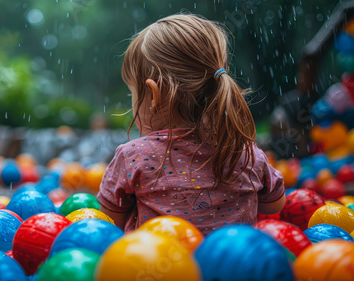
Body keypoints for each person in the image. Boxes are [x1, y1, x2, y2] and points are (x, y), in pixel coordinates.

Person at [97, 14, 285, 236]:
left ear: (152, 94)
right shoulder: (243, 152)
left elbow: (109, 227)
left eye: (133, 93)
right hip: (235, 266)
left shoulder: (132, 157)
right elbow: (275, 204)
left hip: (157, 265)